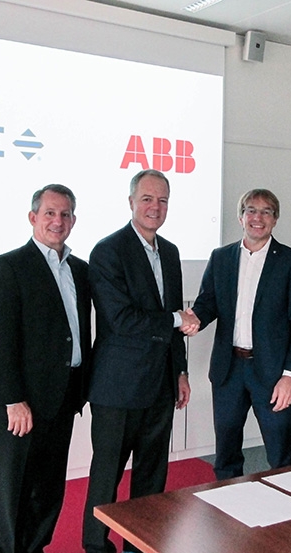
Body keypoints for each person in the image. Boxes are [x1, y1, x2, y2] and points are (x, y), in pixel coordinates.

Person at [82, 169, 195, 553]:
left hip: (161, 383)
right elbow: (122, 319)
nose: (155, 207)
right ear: (131, 202)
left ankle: (140, 545)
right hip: (118, 387)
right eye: (147, 199)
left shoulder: (171, 252)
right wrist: (177, 320)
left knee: (152, 476)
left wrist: (180, 370)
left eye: (162, 200)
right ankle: (96, 547)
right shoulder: (108, 251)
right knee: (107, 476)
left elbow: (172, 318)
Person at [0, 184, 92, 553]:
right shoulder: (8, 267)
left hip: (64, 396)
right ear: (33, 217)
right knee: (16, 489)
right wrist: (12, 399)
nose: (57, 221)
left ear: (73, 220)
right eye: (49, 213)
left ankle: (35, 548)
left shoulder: (80, 270)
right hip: (23, 403)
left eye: (65, 214)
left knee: (48, 486)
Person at [189, 189, 291, 480]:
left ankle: (285, 505)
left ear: (275, 219)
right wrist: (192, 319)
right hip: (228, 369)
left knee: (281, 456)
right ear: (240, 217)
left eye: (266, 211)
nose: (258, 217)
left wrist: (290, 376)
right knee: (226, 454)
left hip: (273, 373)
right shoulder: (221, 257)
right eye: (251, 210)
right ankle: (227, 502)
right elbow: (207, 303)